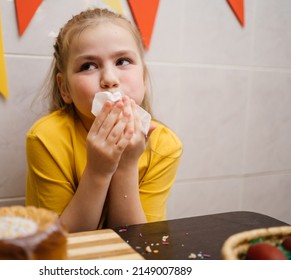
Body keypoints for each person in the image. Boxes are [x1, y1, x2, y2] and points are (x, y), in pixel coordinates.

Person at [26, 8, 182, 233]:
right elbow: (62, 242)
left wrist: (125, 166)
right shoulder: (46, 138)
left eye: (123, 61)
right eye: (88, 66)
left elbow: (140, 242)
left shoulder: (164, 145)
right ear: (64, 88)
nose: (109, 79)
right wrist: (98, 171)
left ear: (144, 79)